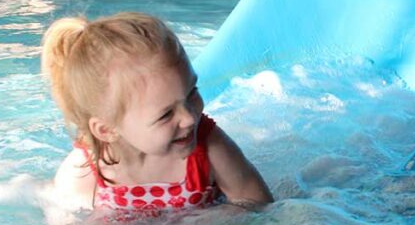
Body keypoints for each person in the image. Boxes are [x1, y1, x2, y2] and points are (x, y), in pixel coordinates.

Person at [41, 12, 272, 214]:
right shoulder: (85, 172)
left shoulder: (210, 148)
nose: (190, 118)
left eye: (192, 93)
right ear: (106, 129)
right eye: (165, 114)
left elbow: (259, 206)